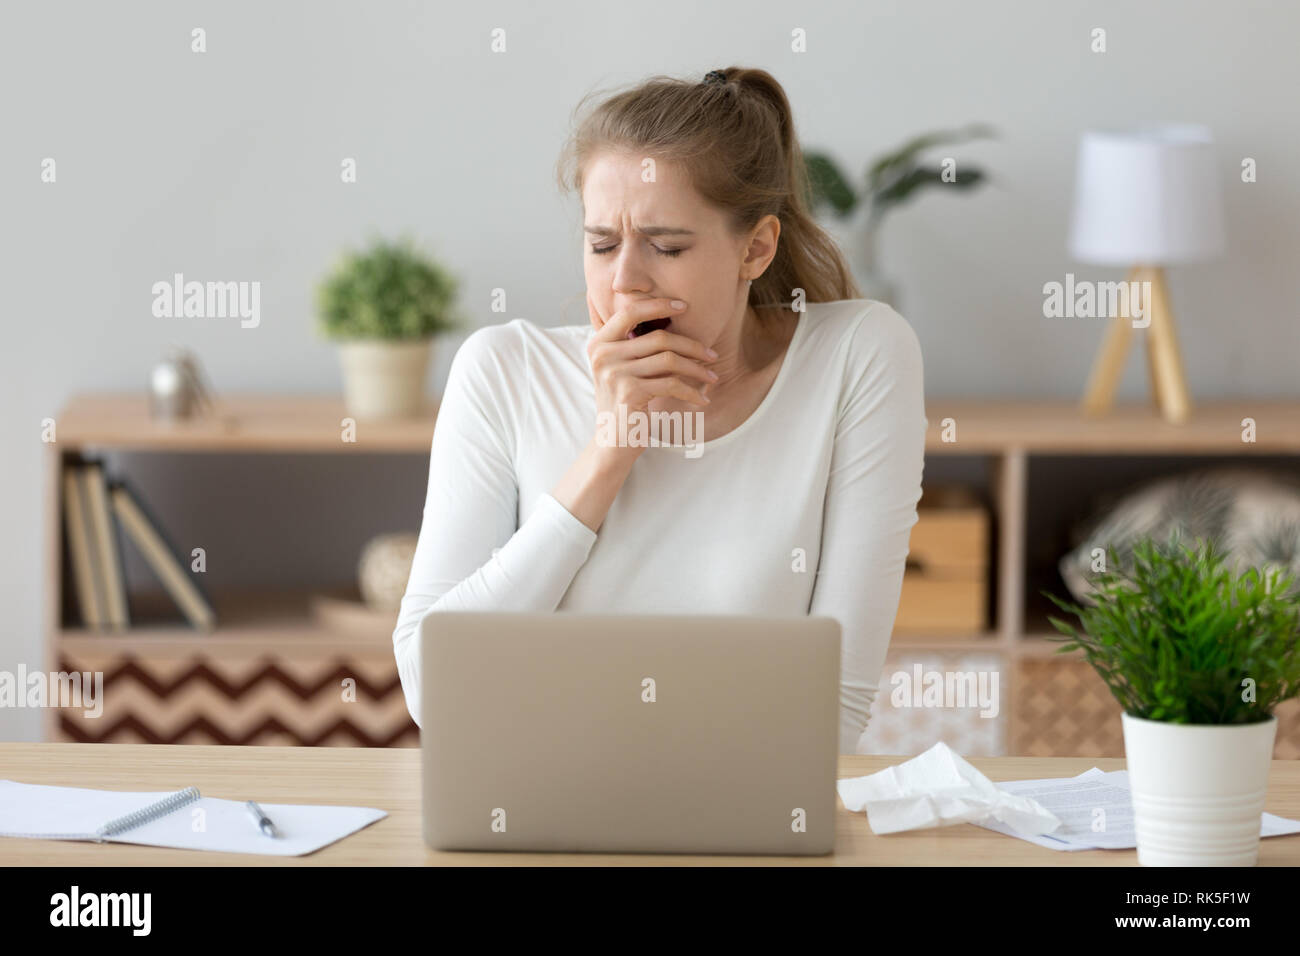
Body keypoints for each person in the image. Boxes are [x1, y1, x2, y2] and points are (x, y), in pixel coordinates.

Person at [391, 66, 927, 754]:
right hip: (533, 825)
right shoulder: (503, 371)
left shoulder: (859, 356)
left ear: (756, 248)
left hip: (748, 829)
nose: (624, 283)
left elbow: (837, 707)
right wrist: (609, 451)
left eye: (667, 247)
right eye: (601, 245)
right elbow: (434, 691)